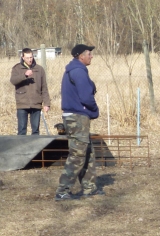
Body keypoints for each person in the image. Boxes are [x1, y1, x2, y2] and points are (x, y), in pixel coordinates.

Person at [54, 44, 100, 201]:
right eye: (89, 53)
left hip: (74, 116)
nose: (91, 56)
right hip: (77, 117)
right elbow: (86, 97)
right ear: (81, 56)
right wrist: (94, 110)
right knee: (78, 155)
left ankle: (90, 187)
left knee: (87, 152)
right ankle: (62, 190)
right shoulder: (79, 71)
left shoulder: (74, 70)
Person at [10, 48, 50, 135]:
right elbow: (13, 81)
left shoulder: (39, 69)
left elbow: (44, 87)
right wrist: (24, 75)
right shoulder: (17, 68)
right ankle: (21, 148)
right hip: (22, 103)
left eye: (31, 57)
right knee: (22, 130)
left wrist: (46, 103)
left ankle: (35, 148)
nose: (30, 59)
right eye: (27, 57)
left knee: (35, 131)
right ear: (23, 57)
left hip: (36, 103)